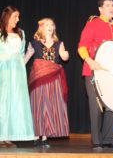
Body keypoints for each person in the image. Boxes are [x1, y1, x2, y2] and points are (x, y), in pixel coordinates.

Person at [78, 0, 113, 149]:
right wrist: (90, 61)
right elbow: (82, 46)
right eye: (108, 5)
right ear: (100, 9)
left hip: (112, 73)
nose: (111, 8)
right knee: (96, 106)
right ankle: (97, 141)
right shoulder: (93, 23)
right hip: (94, 70)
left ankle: (108, 139)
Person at [24, 18, 69, 147]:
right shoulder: (34, 43)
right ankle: (36, 136)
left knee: (50, 106)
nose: (50, 26)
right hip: (38, 78)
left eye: (52, 24)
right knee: (38, 106)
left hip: (53, 79)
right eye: (46, 24)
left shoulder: (58, 43)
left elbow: (64, 57)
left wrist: (65, 54)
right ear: (41, 28)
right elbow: (26, 58)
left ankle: (44, 137)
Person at [0, 6, 34, 147]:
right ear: (7, 17)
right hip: (4, 71)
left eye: (18, 17)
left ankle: (8, 135)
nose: (18, 19)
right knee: (3, 102)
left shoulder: (21, 33)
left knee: (15, 102)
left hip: (18, 73)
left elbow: (21, 59)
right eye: (15, 16)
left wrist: (29, 54)